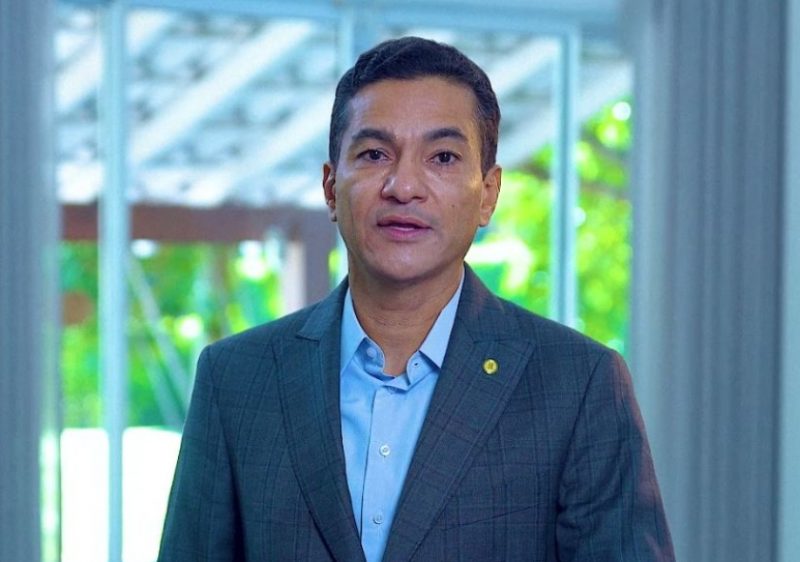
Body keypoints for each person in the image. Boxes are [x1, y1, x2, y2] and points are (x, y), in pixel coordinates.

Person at [158, 36, 674, 561]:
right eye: (375, 154)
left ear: (488, 193)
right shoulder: (237, 379)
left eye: (443, 157)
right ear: (331, 187)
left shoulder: (577, 384)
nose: (404, 186)